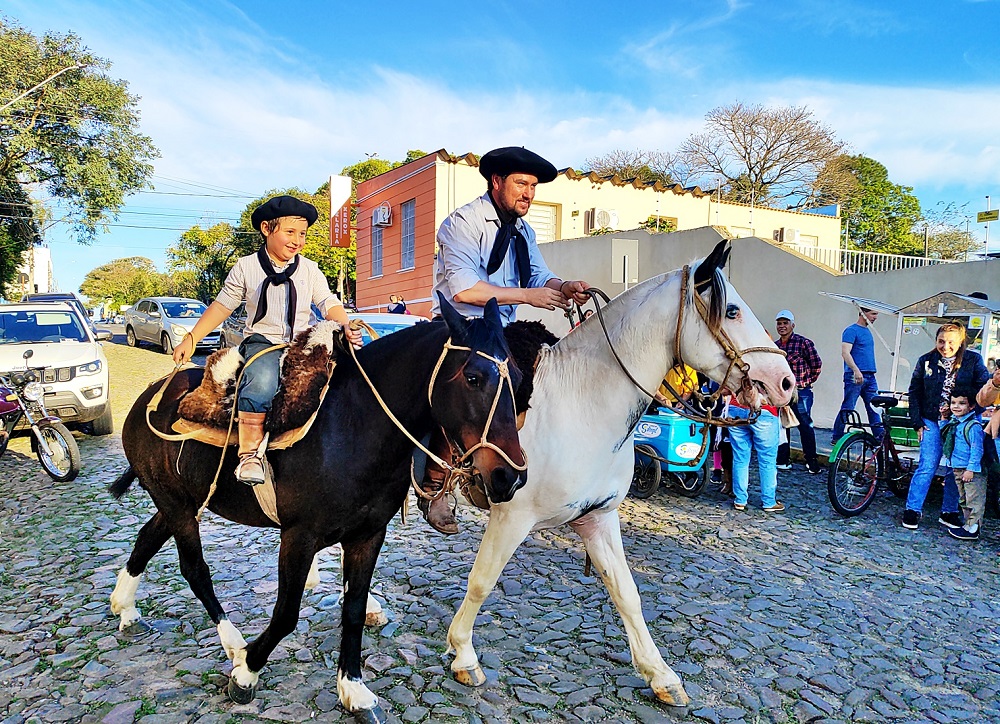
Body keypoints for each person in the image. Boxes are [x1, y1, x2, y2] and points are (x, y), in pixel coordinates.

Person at [423, 145, 591, 534]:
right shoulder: (461, 223)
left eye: (533, 186)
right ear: (496, 182)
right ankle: (435, 482)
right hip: (459, 327)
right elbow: (463, 290)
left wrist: (563, 286)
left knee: (544, 372)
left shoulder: (525, 231)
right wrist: (528, 297)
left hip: (501, 331)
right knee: (459, 393)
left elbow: (537, 276)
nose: (529, 193)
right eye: (521, 183)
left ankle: (530, 470)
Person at [173, 195, 362, 485]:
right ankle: (250, 455)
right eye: (290, 232)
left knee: (352, 378)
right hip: (264, 344)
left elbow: (327, 302)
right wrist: (192, 337)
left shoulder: (310, 270)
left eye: (302, 234)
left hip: (306, 343)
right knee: (260, 382)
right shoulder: (246, 267)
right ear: (266, 229)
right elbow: (223, 306)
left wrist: (346, 323)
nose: (297, 240)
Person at [902, 322, 990, 530]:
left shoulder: (973, 360)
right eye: (941, 341)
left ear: (960, 342)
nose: (945, 346)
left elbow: (983, 389)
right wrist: (917, 423)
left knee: (955, 467)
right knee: (927, 464)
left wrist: (970, 413)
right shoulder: (926, 361)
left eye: (951, 342)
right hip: (931, 420)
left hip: (960, 423)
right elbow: (914, 392)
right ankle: (912, 509)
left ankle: (949, 511)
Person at [773, 310, 822, 474]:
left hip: (801, 392)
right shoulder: (775, 346)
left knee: (805, 425)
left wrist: (806, 383)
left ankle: (811, 461)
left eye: (785, 323)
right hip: (781, 392)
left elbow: (816, 365)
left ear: (792, 325)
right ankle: (782, 460)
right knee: (782, 426)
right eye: (779, 323)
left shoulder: (803, 343)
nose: (782, 326)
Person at [831, 307, 884, 445]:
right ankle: (837, 436)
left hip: (870, 375)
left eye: (876, 314)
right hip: (855, 376)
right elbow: (845, 353)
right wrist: (855, 370)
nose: (875, 317)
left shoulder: (867, 331)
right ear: (862, 313)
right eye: (873, 313)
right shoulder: (851, 330)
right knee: (848, 407)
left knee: (874, 407)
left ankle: (880, 438)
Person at [940, 389, 986, 540]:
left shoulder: (973, 426)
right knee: (963, 498)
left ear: (971, 406)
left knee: (974, 498)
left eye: (961, 403)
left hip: (970, 470)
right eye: (953, 403)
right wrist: (943, 418)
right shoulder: (954, 423)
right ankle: (968, 524)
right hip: (957, 467)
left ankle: (974, 527)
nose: (956, 406)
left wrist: (971, 469)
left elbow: (977, 449)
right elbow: (945, 436)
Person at [727, 391, 783, 512]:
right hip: (764, 409)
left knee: (740, 458)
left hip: (736, 408)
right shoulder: (771, 370)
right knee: (767, 459)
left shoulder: (738, 370)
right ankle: (769, 501)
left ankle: (740, 500)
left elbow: (725, 389)